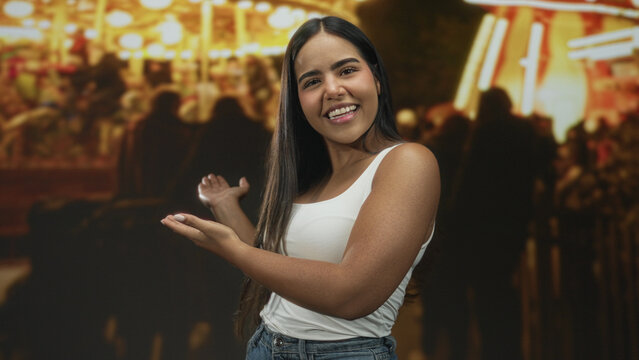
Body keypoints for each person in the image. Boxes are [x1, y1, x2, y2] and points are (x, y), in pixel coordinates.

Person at [161, 16, 440, 359]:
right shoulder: (312, 180)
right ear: (298, 100)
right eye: (312, 81)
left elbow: (352, 295)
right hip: (266, 346)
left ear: (377, 79)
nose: (333, 89)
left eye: (347, 70)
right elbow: (279, 276)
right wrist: (226, 207)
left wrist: (232, 250)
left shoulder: (408, 162)